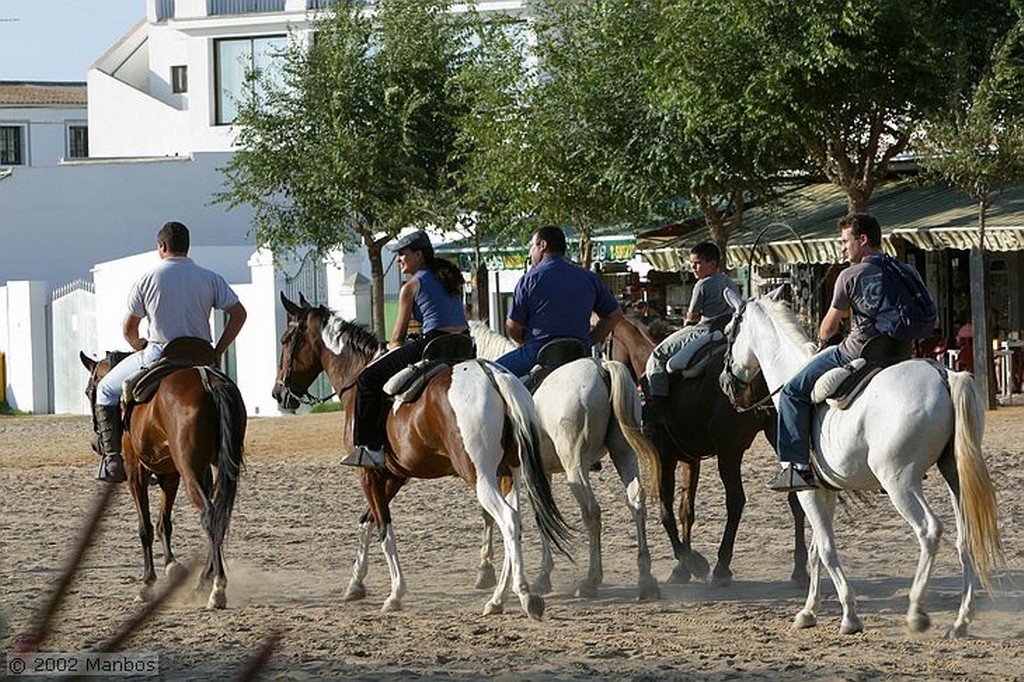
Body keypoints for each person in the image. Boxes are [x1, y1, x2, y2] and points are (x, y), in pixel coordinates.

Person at [93, 221, 247, 482]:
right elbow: (239, 314)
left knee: (105, 389)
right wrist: (218, 349)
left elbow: (129, 329)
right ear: (187, 247)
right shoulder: (210, 277)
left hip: (160, 354)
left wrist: (138, 345)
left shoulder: (147, 279)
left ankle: (113, 460)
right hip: (201, 355)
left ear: (162, 246)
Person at [770, 212, 890, 492]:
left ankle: (796, 469)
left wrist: (831, 332)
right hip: (897, 352)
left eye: (845, 241)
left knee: (791, 391)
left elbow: (826, 330)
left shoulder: (850, 275)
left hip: (858, 350)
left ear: (862, 240)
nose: (842, 247)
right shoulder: (904, 270)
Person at [342, 230, 469, 469]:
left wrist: (390, 349)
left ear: (418, 255)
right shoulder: (450, 278)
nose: (399, 259)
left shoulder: (411, 286)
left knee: (368, 379)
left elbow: (396, 340)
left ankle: (370, 449)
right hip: (464, 344)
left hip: (433, 346)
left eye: (403, 254)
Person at [494, 225, 623, 377]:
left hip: (538, 353)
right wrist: (588, 340)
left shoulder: (529, 280)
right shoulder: (589, 278)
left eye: (531, 246)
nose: (530, 253)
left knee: (491, 374)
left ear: (543, 245)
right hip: (579, 353)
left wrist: (524, 343)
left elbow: (513, 326)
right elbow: (614, 315)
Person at [643, 242, 738, 435]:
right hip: (728, 331)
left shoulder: (702, 284)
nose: (693, 268)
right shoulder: (728, 281)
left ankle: (658, 407)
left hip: (705, 329)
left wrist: (684, 325)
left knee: (659, 355)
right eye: (692, 264)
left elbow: (692, 318)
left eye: (697, 263)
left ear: (712, 263)